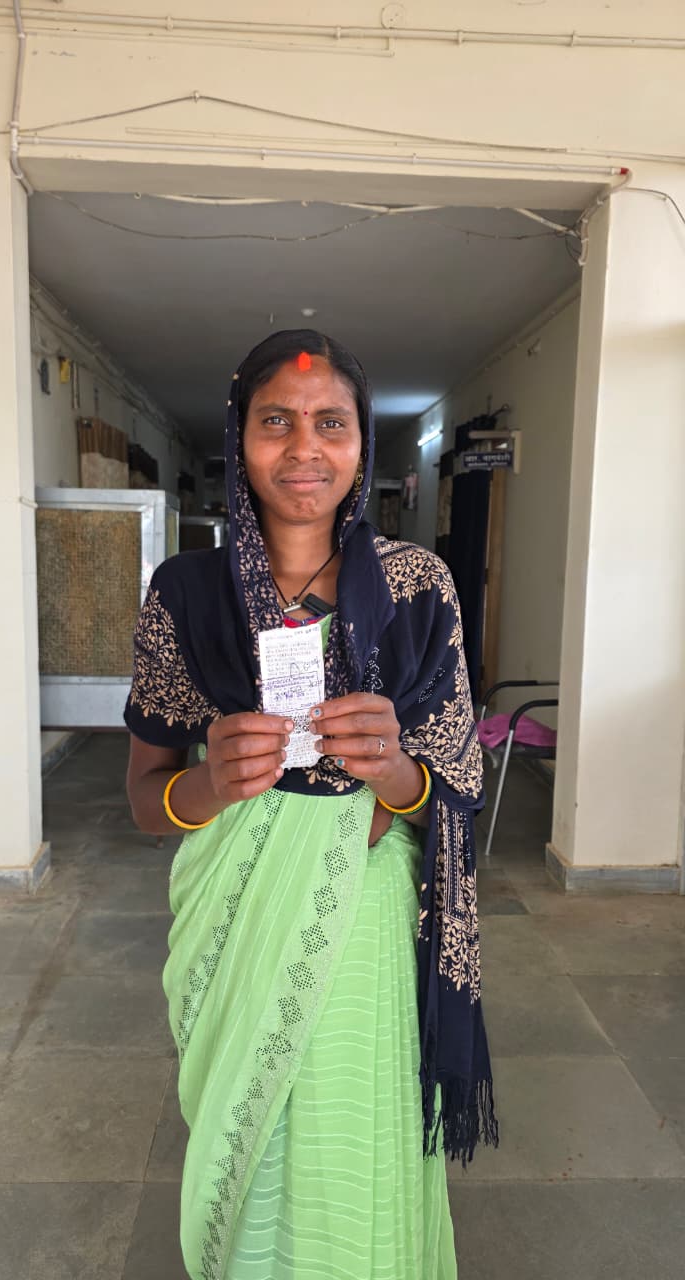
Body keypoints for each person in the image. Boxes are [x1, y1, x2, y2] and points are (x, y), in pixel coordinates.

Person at [124, 330, 497, 1280]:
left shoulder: (418, 589)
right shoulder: (186, 593)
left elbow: (452, 786)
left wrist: (393, 770)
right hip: (235, 908)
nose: (304, 448)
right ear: (237, 438)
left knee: (348, 1134)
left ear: (362, 443)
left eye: (331, 423)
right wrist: (210, 782)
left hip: (361, 915)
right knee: (249, 1148)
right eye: (275, 422)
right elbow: (144, 796)